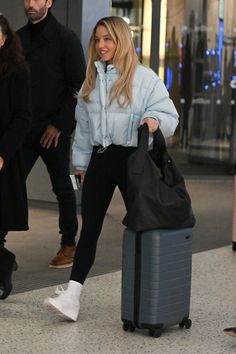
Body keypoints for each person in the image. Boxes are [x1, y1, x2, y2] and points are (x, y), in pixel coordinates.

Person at [44, 16, 179, 321]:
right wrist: (80, 164)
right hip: (101, 159)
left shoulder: (144, 78)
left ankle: (151, 295)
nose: (102, 45)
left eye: (108, 39)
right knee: (90, 229)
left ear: (121, 41)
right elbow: (83, 129)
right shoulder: (90, 81)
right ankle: (72, 298)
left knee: (143, 226)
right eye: (97, 39)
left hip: (133, 161)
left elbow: (169, 115)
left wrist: (155, 121)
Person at [17, 0, 86, 268]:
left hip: (54, 131)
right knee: (7, 185)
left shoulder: (65, 39)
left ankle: (69, 244)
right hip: (23, 128)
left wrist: (59, 124)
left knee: (64, 186)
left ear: (49, 2)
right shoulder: (18, 39)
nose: (31, 4)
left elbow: (79, 86)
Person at [0, 14, 31, 299]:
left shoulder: (17, 70)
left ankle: (3, 264)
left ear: (5, 36)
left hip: (3, 157)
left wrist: (2, 154)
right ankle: (4, 260)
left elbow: (22, 117)